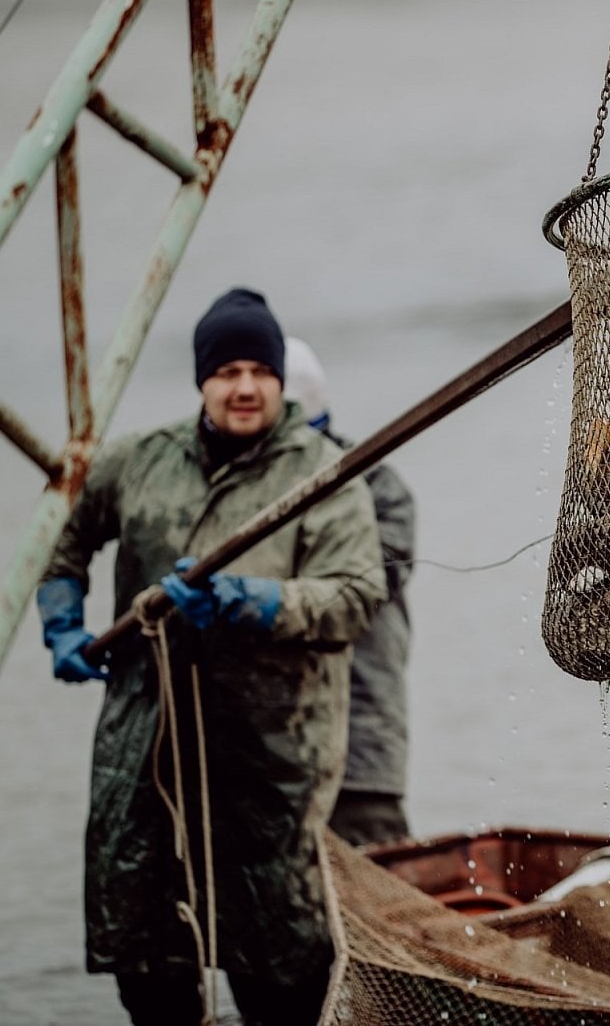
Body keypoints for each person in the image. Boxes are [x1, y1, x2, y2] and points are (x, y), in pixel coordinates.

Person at [35, 288, 385, 1026]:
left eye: (260, 368)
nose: (246, 387)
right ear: (202, 379)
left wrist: (251, 601)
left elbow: (356, 597)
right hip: (146, 749)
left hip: (270, 762)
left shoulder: (323, 473)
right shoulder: (138, 461)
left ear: (281, 380)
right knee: (147, 952)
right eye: (227, 370)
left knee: (282, 968)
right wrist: (61, 621)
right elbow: (62, 545)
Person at [282, 335, 417, 847]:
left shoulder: (378, 489)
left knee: (381, 880)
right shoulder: (238, 488)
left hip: (360, 752)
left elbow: (363, 588)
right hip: (268, 762)